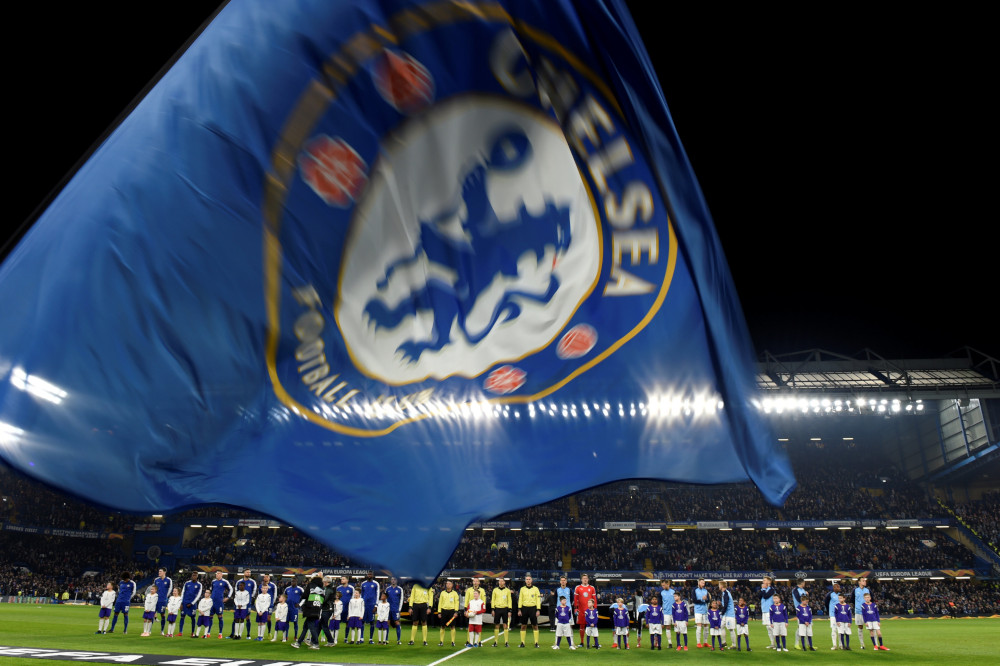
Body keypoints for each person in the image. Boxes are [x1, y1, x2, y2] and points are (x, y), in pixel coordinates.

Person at [291, 574, 324, 650]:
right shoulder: (321, 588)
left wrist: (300, 605)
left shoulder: (310, 585)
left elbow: (305, 596)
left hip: (310, 608)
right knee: (305, 627)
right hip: (317, 608)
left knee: (311, 627)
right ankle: (298, 642)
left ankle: (316, 643)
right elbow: (323, 599)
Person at [517, 573, 541, 648]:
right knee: (523, 626)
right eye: (527, 579)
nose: (528, 581)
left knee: (535, 625)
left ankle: (536, 643)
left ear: (531, 580)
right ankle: (522, 642)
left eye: (529, 579)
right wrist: (519, 609)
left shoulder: (536, 589)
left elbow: (538, 599)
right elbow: (520, 599)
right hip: (524, 608)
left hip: (533, 608)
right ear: (525, 580)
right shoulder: (522, 589)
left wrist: (538, 609)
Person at [230, 569, 256, 639]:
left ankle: (248, 634)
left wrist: (251, 598)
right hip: (238, 603)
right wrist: (237, 603)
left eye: (249, 572)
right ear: (244, 573)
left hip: (247, 603)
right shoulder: (239, 581)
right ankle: (233, 634)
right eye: (247, 572)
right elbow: (236, 591)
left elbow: (254, 590)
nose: (249, 573)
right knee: (236, 618)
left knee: (247, 618)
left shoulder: (252, 582)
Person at [573, 573, 596, 647]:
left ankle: (595, 643)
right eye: (584, 578)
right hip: (581, 610)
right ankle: (582, 642)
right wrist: (576, 608)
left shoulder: (592, 588)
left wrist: (595, 609)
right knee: (582, 627)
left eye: (586, 578)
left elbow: (594, 599)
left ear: (588, 579)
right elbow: (575, 599)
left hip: (590, 611)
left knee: (592, 626)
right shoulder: (578, 588)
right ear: (581, 579)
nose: (585, 579)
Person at [407, 581, 432, 645]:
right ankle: (412, 640)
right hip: (415, 605)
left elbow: (431, 597)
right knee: (415, 622)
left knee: (424, 622)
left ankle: (424, 640)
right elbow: (412, 596)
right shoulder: (415, 586)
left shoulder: (428, 585)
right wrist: (410, 607)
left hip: (424, 605)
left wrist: (429, 607)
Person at [178, 572, 202, 637]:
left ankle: (192, 632)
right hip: (185, 602)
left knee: (193, 618)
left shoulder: (199, 585)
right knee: (182, 617)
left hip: (192, 604)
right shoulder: (187, 583)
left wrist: (192, 603)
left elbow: (198, 595)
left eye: (195, 575)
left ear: (197, 577)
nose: (193, 576)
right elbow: (183, 593)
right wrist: (181, 602)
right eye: (193, 575)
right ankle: (180, 632)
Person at [437, 579, 460, 647]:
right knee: (442, 626)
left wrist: (456, 611)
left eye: (449, 584)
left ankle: (453, 641)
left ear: (452, 585)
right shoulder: (442, 593)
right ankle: (441, 641)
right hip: (444, 611)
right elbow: (440, 603)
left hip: (452, 611)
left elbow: (456, 603)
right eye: (447, 584)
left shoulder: (455, 593)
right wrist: (439, 612)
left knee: (452, 626)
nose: (448, 585)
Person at [209, 571, 232, 638]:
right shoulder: (213, 582)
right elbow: (212, 590)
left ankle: (220, 633)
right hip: (212, 602)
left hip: (219, 602)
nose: (217, 575)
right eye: (216, 574)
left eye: (218, 574)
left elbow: (231, 589)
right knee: (210, 616)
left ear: (221, 574)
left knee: (220, 617)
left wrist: (228, 597)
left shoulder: (225, 582)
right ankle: (208, 632)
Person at [491, 577, 512, 647]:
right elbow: (493, 600)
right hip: (497, 609)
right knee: (496, 625)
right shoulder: (495, 590)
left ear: (504, 582)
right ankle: (495, 641)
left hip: (505, 609)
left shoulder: (507, 591)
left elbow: (509, 601)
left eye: (502, 581)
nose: (500, 582)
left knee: (505, 625)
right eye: (499, 581)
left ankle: (506, 642)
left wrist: (509, 610)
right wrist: (493, 609)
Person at [152, 568, 173, 636]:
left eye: (160, 571)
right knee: (152, 614)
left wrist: (165, 596)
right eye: (159, 571)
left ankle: (162, 630)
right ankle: (149, 630)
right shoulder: (156, 580)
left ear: (164, 572)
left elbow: (170, 588)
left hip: (162, 600)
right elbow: (154, 588)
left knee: (162, 614)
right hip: (155, 600)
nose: (159, 572)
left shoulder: (168, 580)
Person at [360, 571, 380, 644]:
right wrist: (361, 604)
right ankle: (361, 638)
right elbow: (361, 594)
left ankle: (370, 639)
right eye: (368, 574)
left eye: (370, 574)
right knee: (362, 621)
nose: (369, 575)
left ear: (373, 575)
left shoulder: (376, 584)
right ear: (366, 575)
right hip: (364, 605)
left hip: (372, 605)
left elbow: (377, 595)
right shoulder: (363, 584)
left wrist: (376, 605)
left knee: (372, 622)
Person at [758, 575, 776, 649]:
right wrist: (762, 589)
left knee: (771, 627)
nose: (763, 581)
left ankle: (776, 643)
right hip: (764, 610)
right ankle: (772, 643)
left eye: (764, 580)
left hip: (770, 611)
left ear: (769, 582)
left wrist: (763, 589)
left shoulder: (771, 589)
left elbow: (765, 596)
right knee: (768, 628)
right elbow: (759, 596)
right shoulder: (763, 589)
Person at [283, 576, 304, 643]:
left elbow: (304, 598)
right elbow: (284, 597)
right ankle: (286, 636)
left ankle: (295, 636)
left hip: (294, 609)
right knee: (286, 622)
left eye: (294, 581)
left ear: (296, 582)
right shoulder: (287, 589)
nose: (292, 582)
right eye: (292, 581)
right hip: (287, 609)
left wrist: (300, 604)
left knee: (295, 623)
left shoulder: (300, 589)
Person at [691, 578, 710, 648]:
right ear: (698, 582)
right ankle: (698, 643)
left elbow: (708, 600)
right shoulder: (695, 590)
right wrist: (702, 599)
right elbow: (694, 600)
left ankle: (705, 642)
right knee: (699, 627)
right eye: (702, 583)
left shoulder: (705, 590)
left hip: (705, 611)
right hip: (698, 611)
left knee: (706, 627)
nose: (703, 584)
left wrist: (707, 599)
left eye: (704, 583)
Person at [852, 577, 870, 650]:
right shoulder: (855, 590)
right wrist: (858, 606)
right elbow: (852, 599)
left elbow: (871, 599)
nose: (865, 582)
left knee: (871, 627)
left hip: (867, 611)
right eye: (863, 581)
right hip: (858, 611)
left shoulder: (867, 590)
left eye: (865, 580)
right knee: (860, 627)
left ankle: (875, 644)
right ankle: (862, 644)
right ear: (859, 582)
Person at [385, 576, 404, 645]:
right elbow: (385, 599)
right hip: (388, 609)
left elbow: (401, 599)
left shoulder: (400, 589)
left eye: (394, 579)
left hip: (396, 609)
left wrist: (399, 609)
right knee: (387, 623)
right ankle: (386, 639)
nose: (393, 581)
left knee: (397, 623)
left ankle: (398, 640)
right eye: (392, 579)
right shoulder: (387, 589)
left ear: (397, 581)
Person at [336, 576, 354, 643]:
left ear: (347, 580)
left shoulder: (351, 588)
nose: (342, 580)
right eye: (341, 579)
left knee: (347, 624)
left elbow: (353, 598)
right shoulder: (338, 588)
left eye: (343, 579)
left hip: (347, 609)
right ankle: (335, 638)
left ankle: (346, 638)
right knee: (337, 623)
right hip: (339, 609)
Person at [718, 580, 735, 649]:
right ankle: (724, 642)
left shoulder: (726, 593)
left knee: (731, 629)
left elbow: (726, 605)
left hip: (729, 614)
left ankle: (734, 645)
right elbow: (725, 604)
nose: (718, 587)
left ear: (721, 586)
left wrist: (722, 612)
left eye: (719, 585)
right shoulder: (725, 593)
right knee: (721, 626)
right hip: (726, 614)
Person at [791, 578, 808, 650]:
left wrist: (806, 595)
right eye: (804, 582)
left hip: (806, 610)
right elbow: (798, 599)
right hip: (799, 610)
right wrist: (805, 595)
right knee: (800, 627)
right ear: (802, 583)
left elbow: (806, 600)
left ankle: (809, 644)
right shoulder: (795, 590)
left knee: (808, 627)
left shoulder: (803, 590)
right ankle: (796, 644)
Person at [824, 582, 842, 650]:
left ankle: (841, 644)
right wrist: (830, 610)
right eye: (838, 587)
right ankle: (834, 645)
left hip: (840, 614)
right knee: (834, 629)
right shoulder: (830, 594)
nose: (839, 588)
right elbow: (826, 602)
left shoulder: (841, 595)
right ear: (834, 588)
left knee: (840, 630)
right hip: (833, 615)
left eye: (839, 587)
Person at [658, 579, 674, 648]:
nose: (663, 587)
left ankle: (678, 643)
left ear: (668, 584)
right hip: (666, 613)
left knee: (677, 628)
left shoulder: (673, 592)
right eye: (662, 586)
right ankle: (670, 643)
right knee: (668, 627)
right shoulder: (661, 593)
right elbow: (660, 603)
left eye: (664, 585)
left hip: (674, 612)